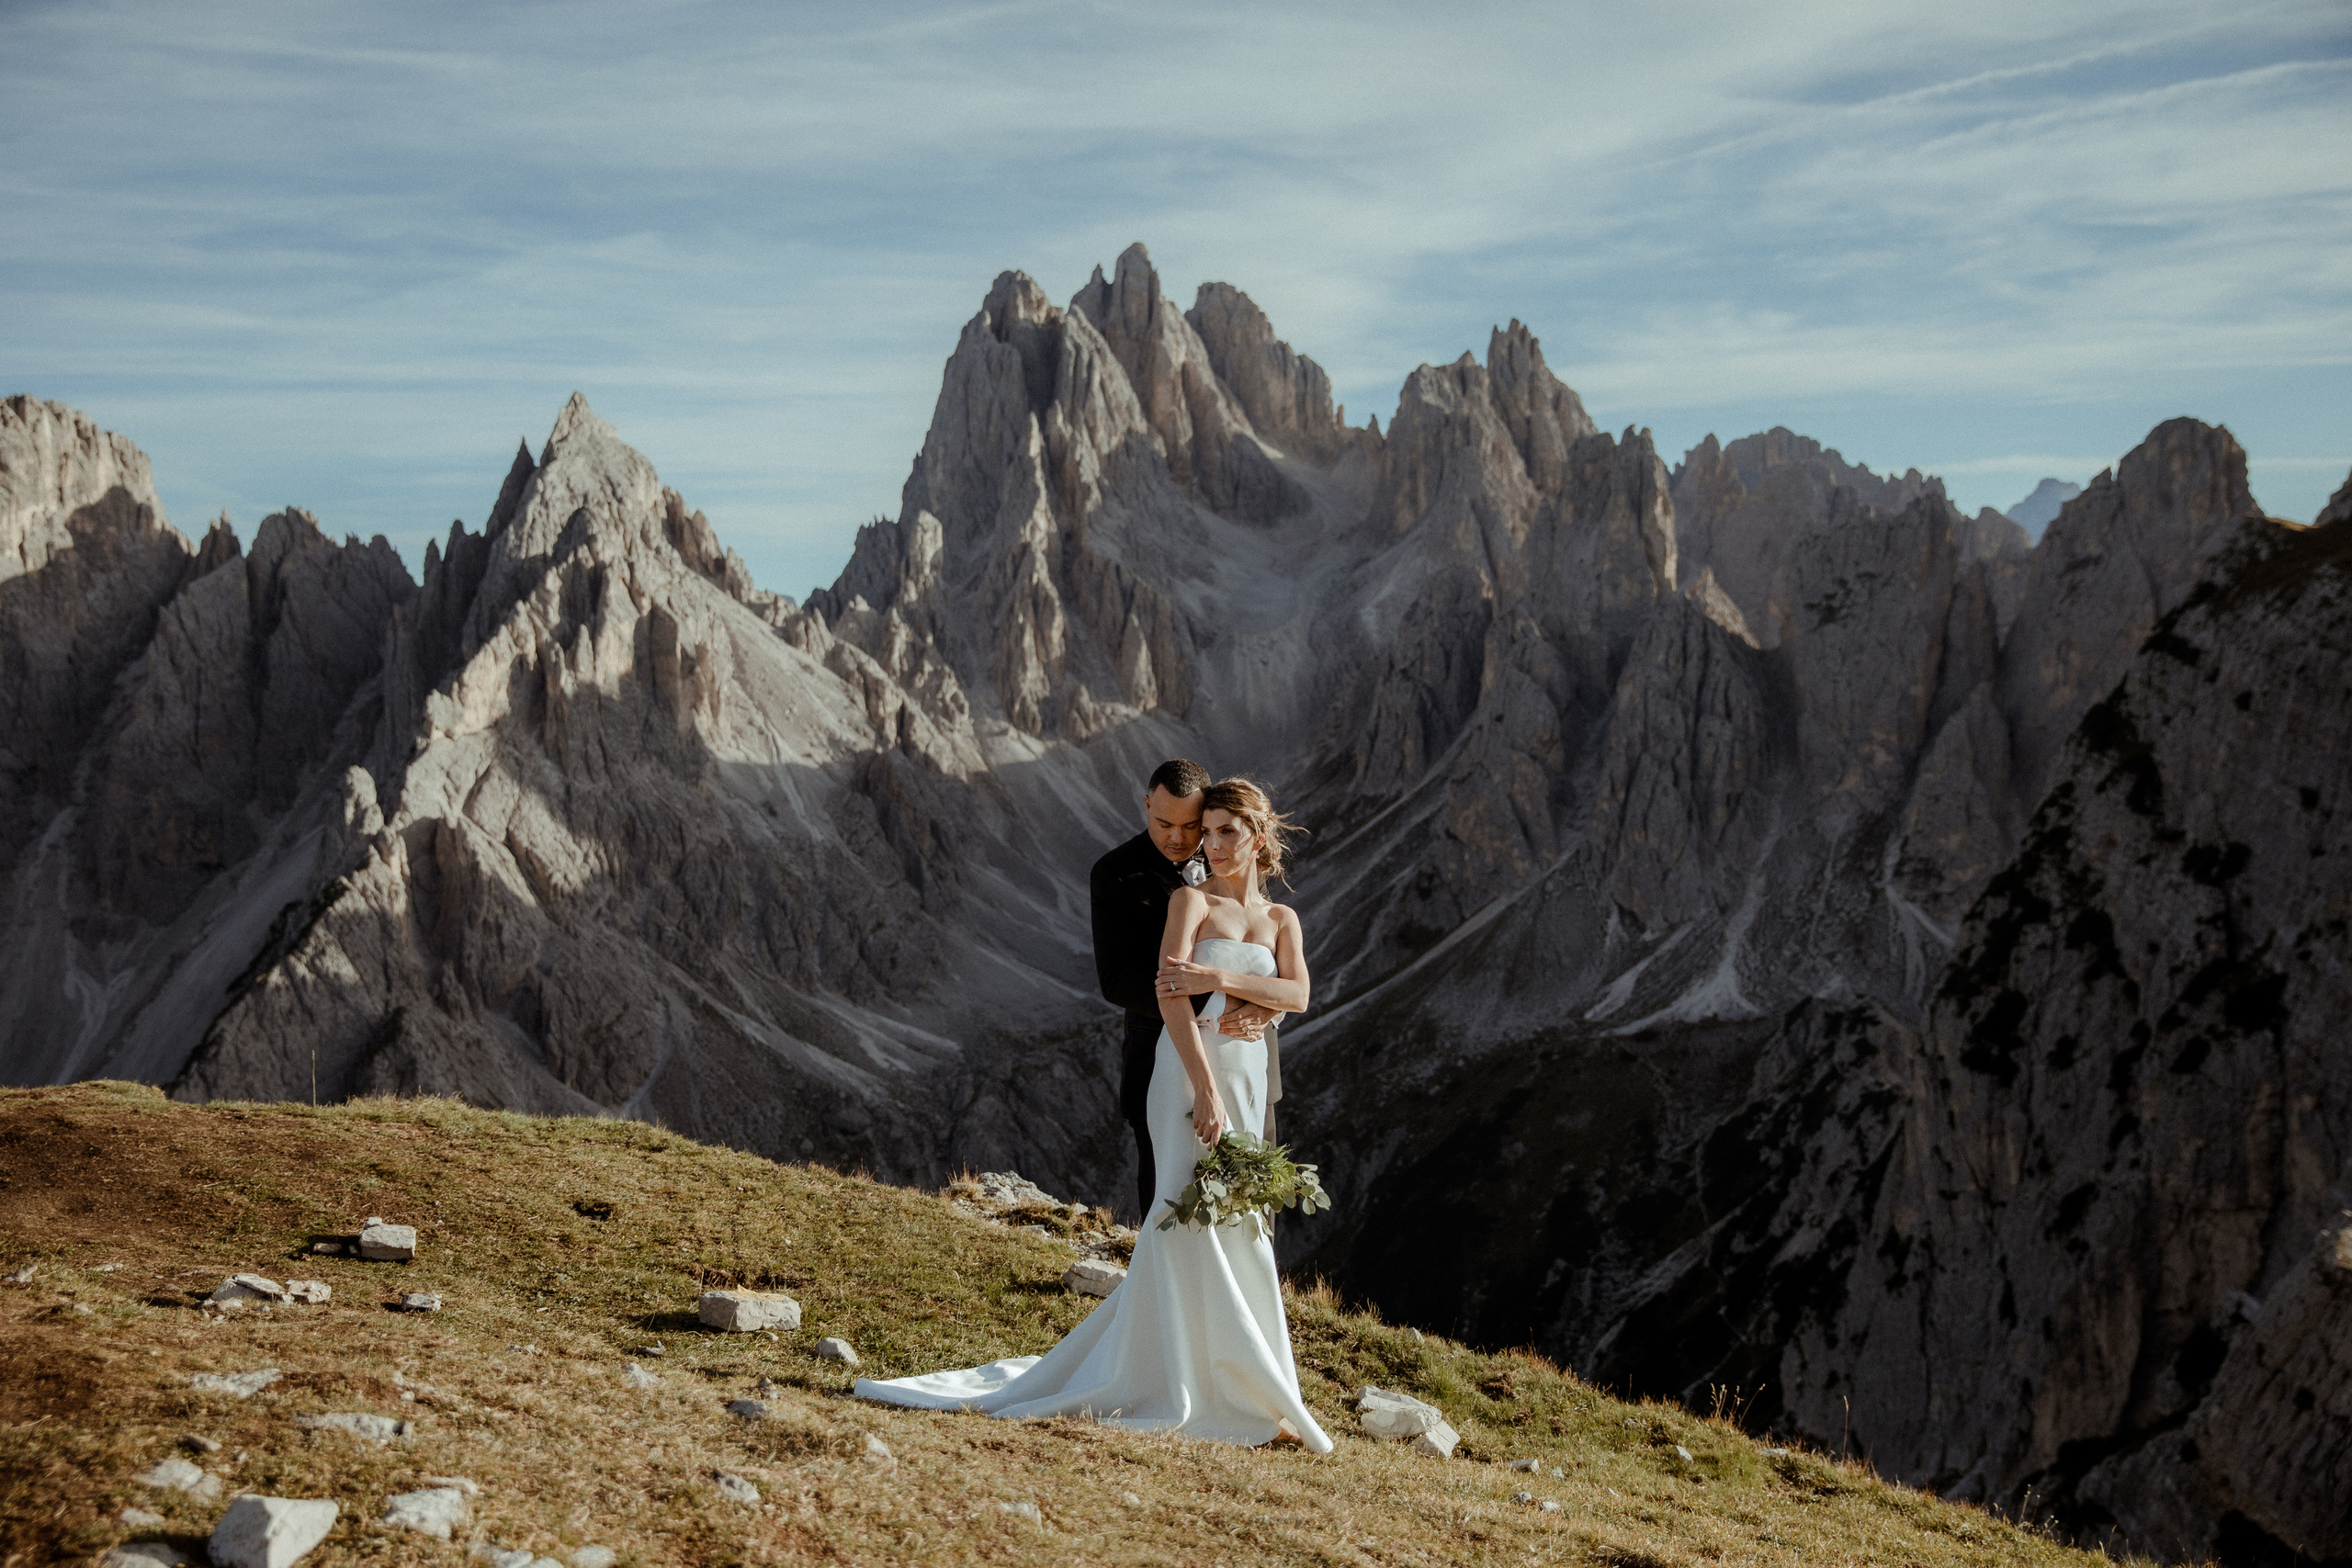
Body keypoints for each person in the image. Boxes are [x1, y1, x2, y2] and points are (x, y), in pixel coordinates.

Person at [854, 776, 1331, 1452]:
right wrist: (1206, 1088)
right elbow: (1169, 994)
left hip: (1250, 1076)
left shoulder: (1283, 920)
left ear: (1258, 839)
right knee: (1177, 1206)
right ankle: (1176, 1373)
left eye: (1228, 831)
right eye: (1209, 829)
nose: (1211, 843)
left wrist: (1225, 982)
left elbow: (1300, 992)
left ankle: (1254, 1380)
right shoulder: (1188, 900)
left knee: (1243, 1217)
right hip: (1192, 1072)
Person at [1085, 760, 1279, 1221]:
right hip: (1160, 1053)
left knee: (1253, 1195)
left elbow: (1259, 947)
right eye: (1163, 823)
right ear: (1146, 804)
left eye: (1191, 825)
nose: (1178, 837)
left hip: (1246, 1051)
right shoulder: (1114, 873)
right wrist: (1204, 998)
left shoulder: (1228, 851)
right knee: (1170, 1197)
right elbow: (1115, 980)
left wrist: (1265, 1009)